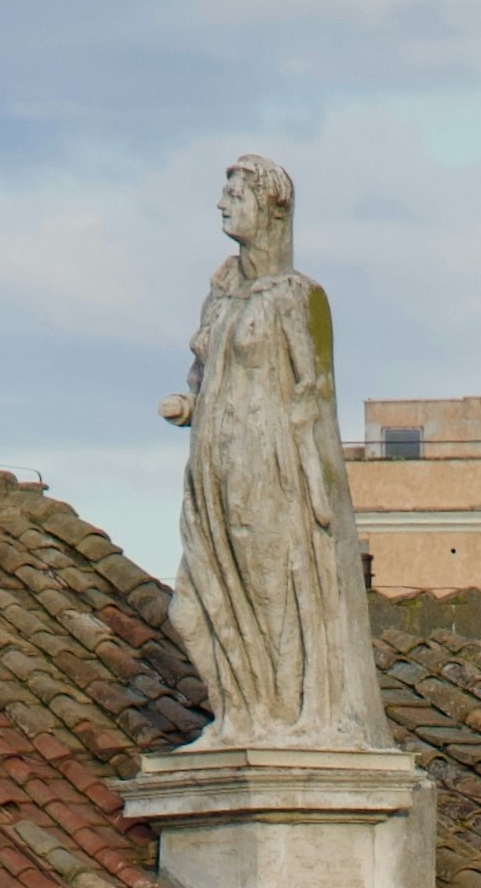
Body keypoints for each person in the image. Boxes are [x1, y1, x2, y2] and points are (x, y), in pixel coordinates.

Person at [159, 156, 390, 752]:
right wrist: (188, 405)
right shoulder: (219, 295)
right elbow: (204, 377)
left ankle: (281, 720)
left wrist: (314, 490)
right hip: (210, 473)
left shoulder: (296, 297)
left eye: (236, 194)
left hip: (268, 469)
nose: (222, 203)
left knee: (273, 600)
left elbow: (313, 395)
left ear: (272, 209)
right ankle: (236, 717)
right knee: (191, 608)